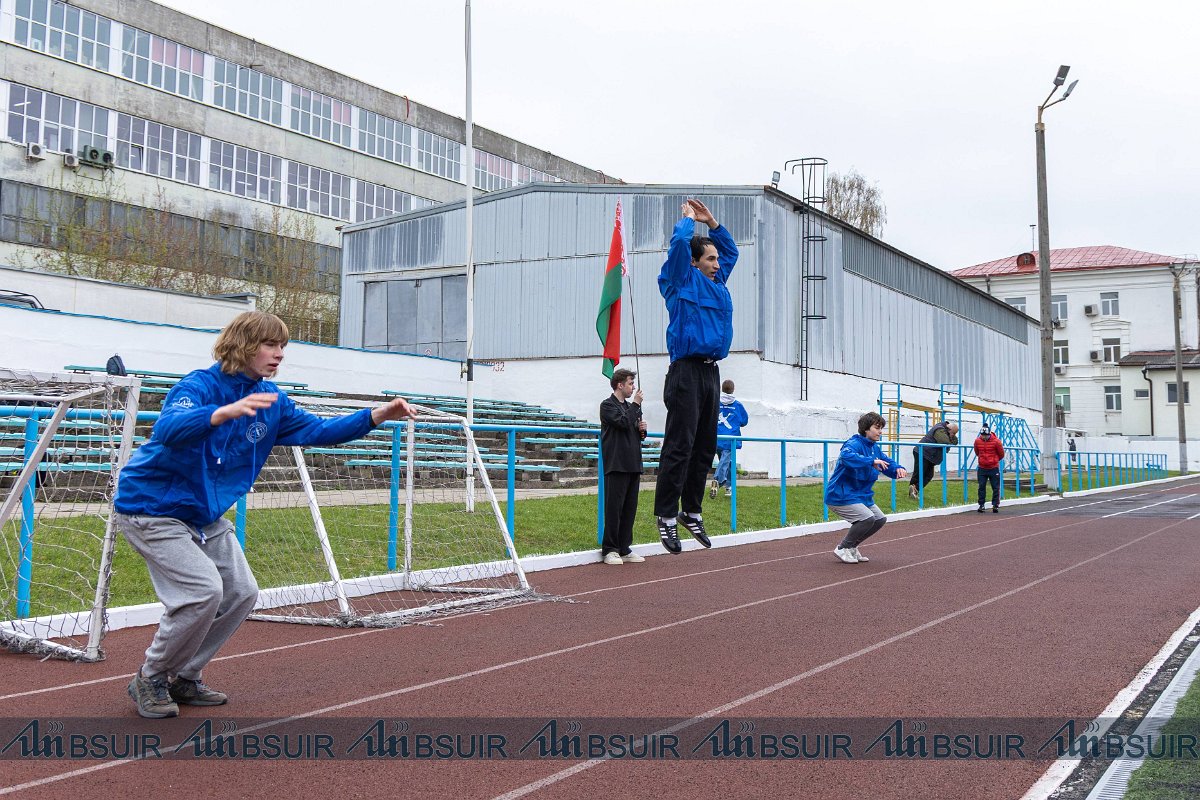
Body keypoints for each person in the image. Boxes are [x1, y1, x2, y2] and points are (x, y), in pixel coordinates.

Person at [113, 311, 417, 719]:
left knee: (241, 593)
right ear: (243, 345)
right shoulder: (198, 386)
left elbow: (319, 431)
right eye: (270, 345)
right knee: (204, 592)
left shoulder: (271, 401)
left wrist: (376, 415)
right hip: (151, 508)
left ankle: (184, 676)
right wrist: (221, 413)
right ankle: (151, 678)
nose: (279, 354)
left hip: (201, 515)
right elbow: (168, 429)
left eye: (282, 346)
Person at [653, 199, 737, 554]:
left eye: (717, 260)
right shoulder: (681, 280)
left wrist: (713, 222)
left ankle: (691, 510)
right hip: (685, 371)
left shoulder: (717, 283)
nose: (718, 264)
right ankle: (666, 515)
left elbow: (731, 252)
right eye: (710, 259)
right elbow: (677, 247)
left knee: (704, 447)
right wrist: (688, 222)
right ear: (694, 262)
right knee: (680, 445)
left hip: (710, 373)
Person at [825, 412, 908, 563]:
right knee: (867, 518)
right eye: (877, 428)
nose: (880, 432)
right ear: (866, 429)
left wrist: (898, 468)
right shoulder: (853, 444)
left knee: (879, 519)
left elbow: (887, 462)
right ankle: (843, 548)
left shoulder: (874, 448)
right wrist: (871, 461)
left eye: (881, 428)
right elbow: (846, 456)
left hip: (861, 496)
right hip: (841, 494)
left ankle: (851, 547)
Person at [599, 368, 648, 565]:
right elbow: (622, 423)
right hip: (617, 463)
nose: (633, 387)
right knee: (614, 509)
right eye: (630, 383)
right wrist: (636, 404)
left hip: (633, 463)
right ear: (620, 385)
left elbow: (634, 431)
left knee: (629, 509)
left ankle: (624, 548)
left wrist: (642, 430)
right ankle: (610, 549)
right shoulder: (607, 405)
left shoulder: (631, 407)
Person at [711, 379, 749, 498]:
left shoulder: (715, 402)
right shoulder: (738, 405)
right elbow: (744, 421)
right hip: (730, 439)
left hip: (717, 437)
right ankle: (718, 480)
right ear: (733, 390)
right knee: (725, 461)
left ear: (721, 389)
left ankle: (729, 486)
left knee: (726, 462)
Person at [908, 420, 959, 499]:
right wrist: (950, 440)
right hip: (923, 452)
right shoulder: (939, 429)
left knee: (928, 475)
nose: (953, 435)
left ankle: (914, 489)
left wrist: (950, 438)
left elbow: (955, 441)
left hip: (928, 455)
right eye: (953, 433)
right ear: (949, 429)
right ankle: (913, 490)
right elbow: (944, 441)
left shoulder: (945, 430)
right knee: (919, 473)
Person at [973, 423, 1005, 513]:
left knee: (995, 487)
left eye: (986, 435)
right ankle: (981, 505)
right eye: (982, 435)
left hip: (993, 468)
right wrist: (982, 459)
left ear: (989, 434)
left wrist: (994, 460)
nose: (984, 437)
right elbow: (977, 452)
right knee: (981, 487)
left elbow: (1001, 454)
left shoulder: (997, 442)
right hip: (982, 468)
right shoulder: (977, 441)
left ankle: (995, 505)